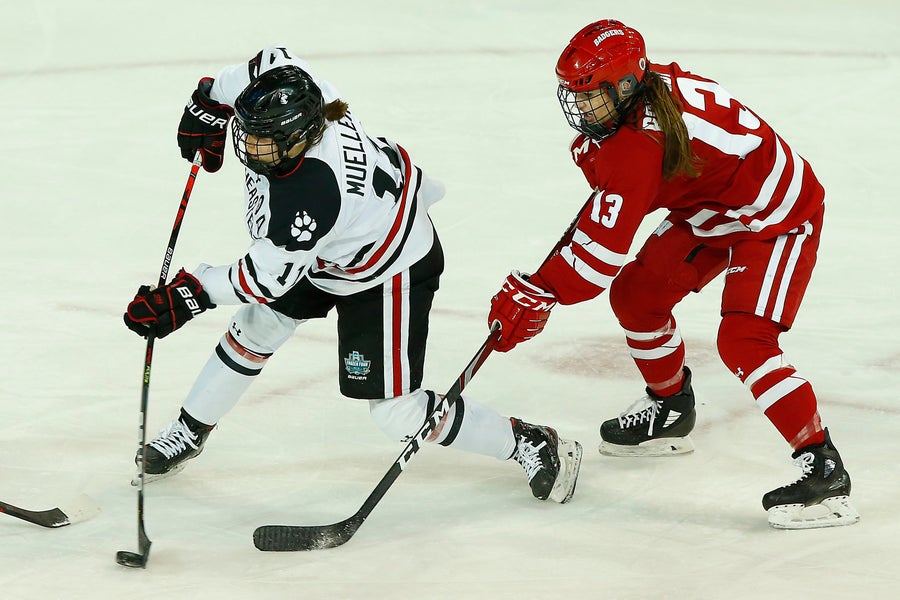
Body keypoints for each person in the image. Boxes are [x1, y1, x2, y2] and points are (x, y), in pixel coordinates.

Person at [122, 46, 582, 505]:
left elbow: (264, 279)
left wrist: (188, 294)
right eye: (247, 132)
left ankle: (528, 441)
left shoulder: (312, 194)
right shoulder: (303, 94)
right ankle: (189, 430)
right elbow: (268, 59)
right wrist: (211, 101)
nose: (248, 146)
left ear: (299, 137)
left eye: (263, 141)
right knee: (258, 325)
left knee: (397, 413)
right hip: (333, 247)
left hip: (387, 266)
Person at [487, 20, 858, 528]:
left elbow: (597, 254)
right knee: (638, 297)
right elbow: (623, 204)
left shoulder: (639, 146)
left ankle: (824, 469)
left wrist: (541, 291)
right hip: (713, 208)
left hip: (776, 216)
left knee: (746, 340)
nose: (581, 107)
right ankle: (670, 408)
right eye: (574, 93)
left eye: (591, 94)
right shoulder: (644, 99)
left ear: (624, 86)